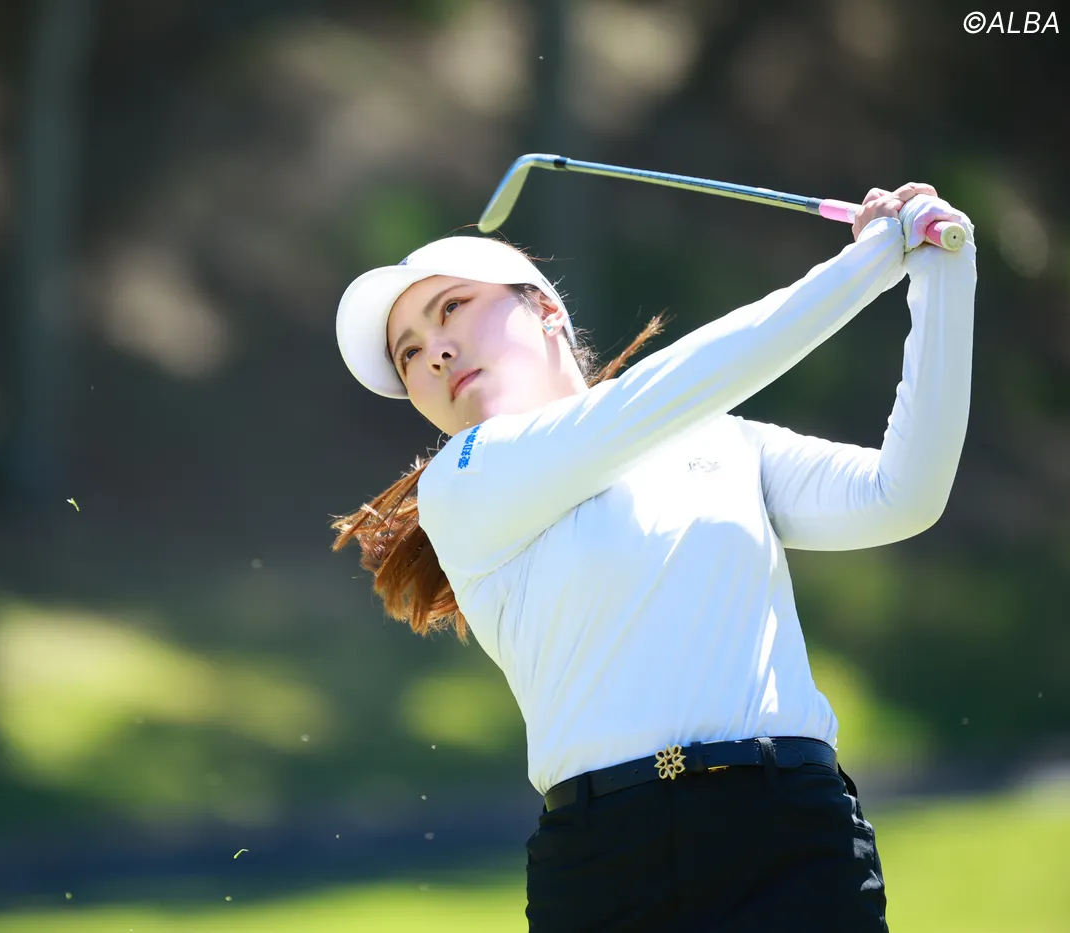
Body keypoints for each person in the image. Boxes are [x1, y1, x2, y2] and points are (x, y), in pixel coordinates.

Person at [330, 183, 976, 932]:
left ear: (546, 311)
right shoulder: (461, 483)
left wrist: (942, 270)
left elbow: (903, 494)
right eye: (409, 352)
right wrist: (873, 259)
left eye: (451, 308)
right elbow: (670, 392)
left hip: (791, 837)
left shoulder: (719, 437)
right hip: (606, 867)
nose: (435, 351)